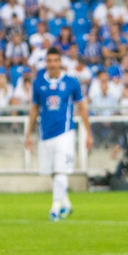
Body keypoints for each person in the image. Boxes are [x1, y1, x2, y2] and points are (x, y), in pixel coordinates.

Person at [25, 47, 93, 222]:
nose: (53, 63)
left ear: (60, 62)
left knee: (61, 170)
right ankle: (66, 204)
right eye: (50, 60)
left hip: (65, 133)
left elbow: (82, 108)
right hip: (45, 134)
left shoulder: (71, 82)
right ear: (46, 62)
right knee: (53, 172)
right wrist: (28, 135)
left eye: (56, 60)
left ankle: (55, 209)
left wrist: (88, 133)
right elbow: (34, 110)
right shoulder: (38, 83)